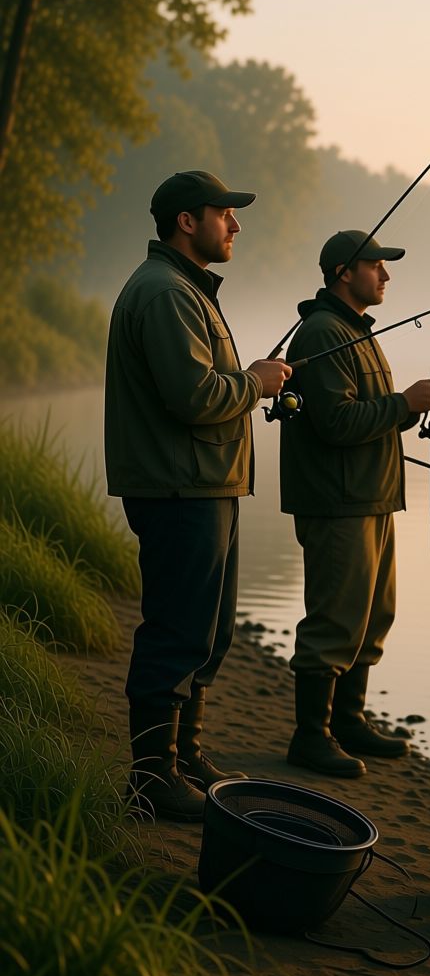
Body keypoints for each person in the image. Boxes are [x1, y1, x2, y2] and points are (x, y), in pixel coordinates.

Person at [105, 170, 291, 823]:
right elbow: (194, 396)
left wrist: (250, 381)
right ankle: (152, 778)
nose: (235, 224)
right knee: (176, 632)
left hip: (205, 485)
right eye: (223, 213)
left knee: (208, 632)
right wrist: (257, 383)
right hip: (178, 488)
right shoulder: (164, 293)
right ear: (187, 221)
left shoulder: (185, 290)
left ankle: (184, 757)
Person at [280, 231, 430, 778]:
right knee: (335, 622)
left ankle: (348, 721)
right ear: (345, 272)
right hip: (337, 502)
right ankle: (310, 737)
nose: (386, 276)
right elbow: (335, 422)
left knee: (372, 617)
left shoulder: (354, 332)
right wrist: (404, 403)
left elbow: (364, 414)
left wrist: (406, 409)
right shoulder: (322, 333)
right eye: (376, 266)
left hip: (372, 498)